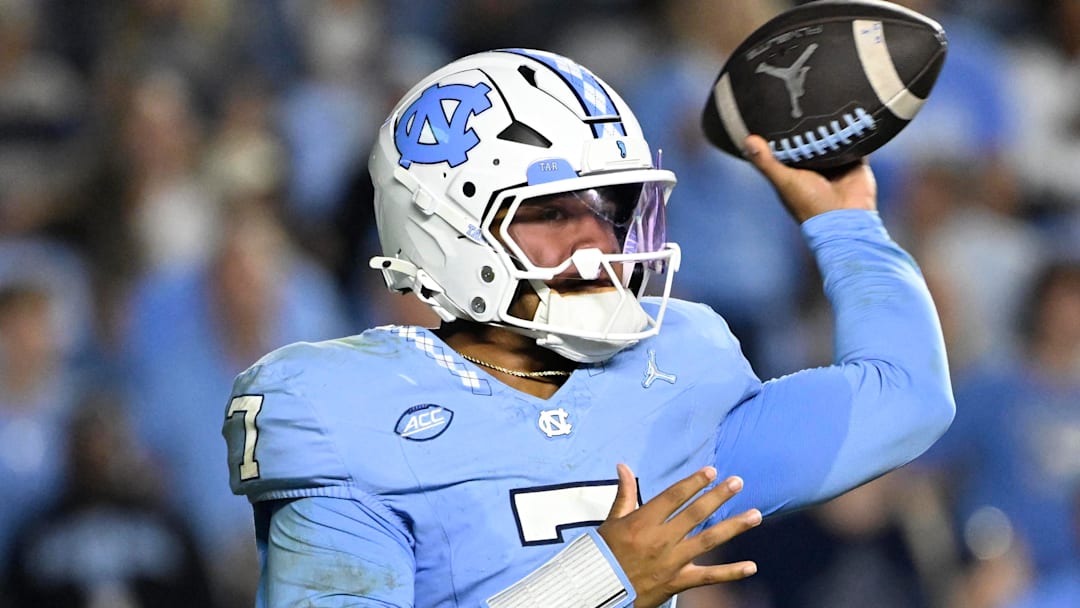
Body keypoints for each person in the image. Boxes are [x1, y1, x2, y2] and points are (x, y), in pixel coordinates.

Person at [222, 48, 955, 607]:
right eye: (549, 213)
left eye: (609, 208)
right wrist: (601, 579)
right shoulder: (342, 408)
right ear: (440, 231)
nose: (598, 243)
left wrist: (847, 223)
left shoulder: (674, 368)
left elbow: (906, 397)